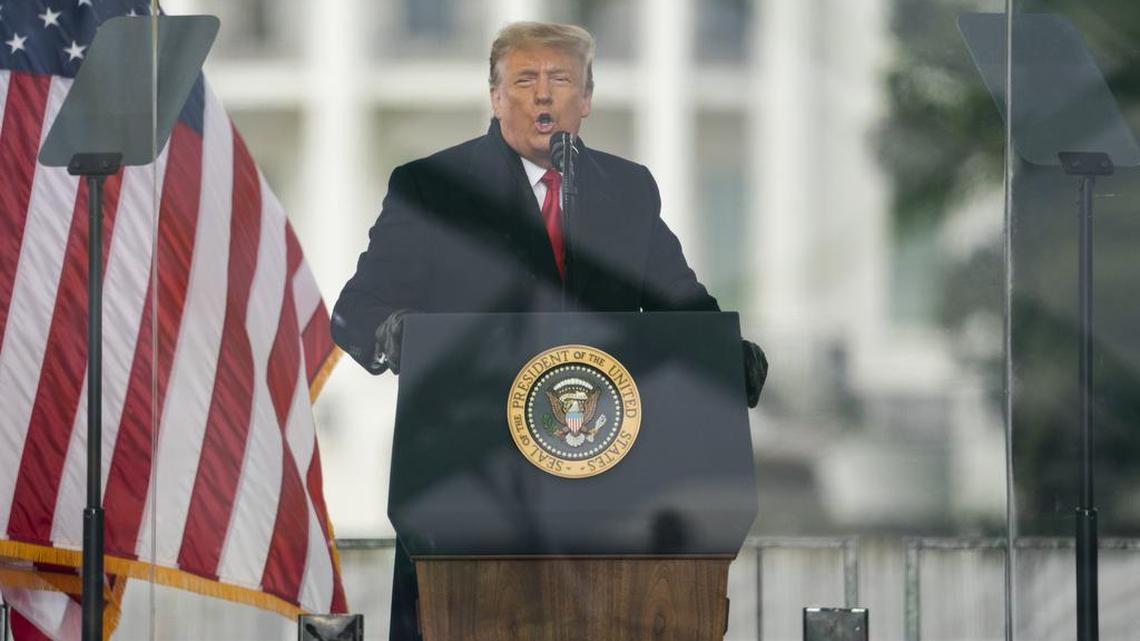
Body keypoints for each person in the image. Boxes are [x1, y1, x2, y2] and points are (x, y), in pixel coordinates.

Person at [330, 21, 767, 641]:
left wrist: (724, 357)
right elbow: (355, 310)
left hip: (608, 494)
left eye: (560, 79)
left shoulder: (627, 189)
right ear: (494, 96)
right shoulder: (432, 187)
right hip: (467, 488)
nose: (542, 94)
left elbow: (681, 305)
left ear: (585, 99)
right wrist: (398, 334)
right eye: (524, 79)